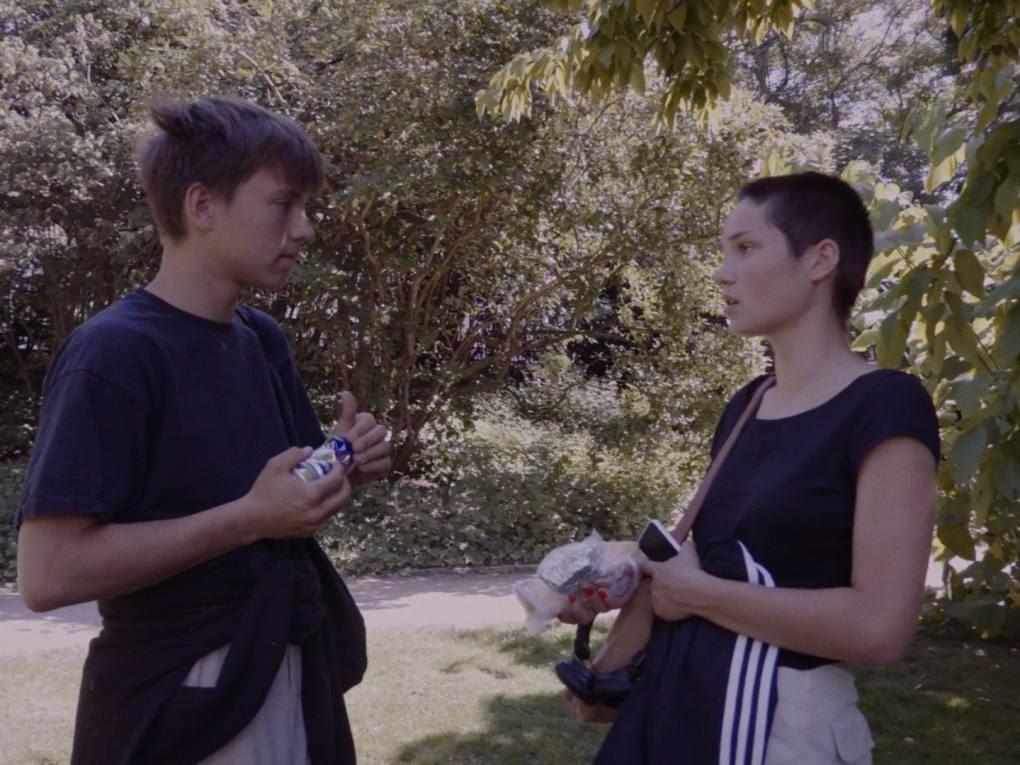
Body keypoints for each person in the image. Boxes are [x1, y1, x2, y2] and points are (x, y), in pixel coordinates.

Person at [15, 96, 392, 765]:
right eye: (283, 204)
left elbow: (277, 495)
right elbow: (48, 573)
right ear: (202, 206)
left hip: (291, 672)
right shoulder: (112, 353)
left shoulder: (260, 337)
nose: (304, 229)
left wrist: (342, 459)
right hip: (180, 701)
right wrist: (248, 519)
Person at [562, 172, 939, 764]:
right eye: (724, 252)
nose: (722, 273)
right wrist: (627, 576)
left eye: (745, 248)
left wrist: (699, 594)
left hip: (783, 732)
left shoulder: (887, 405)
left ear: (820, 260)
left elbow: (879, 628)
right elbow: (725, 556)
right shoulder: (748, 405)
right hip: (686, 714)